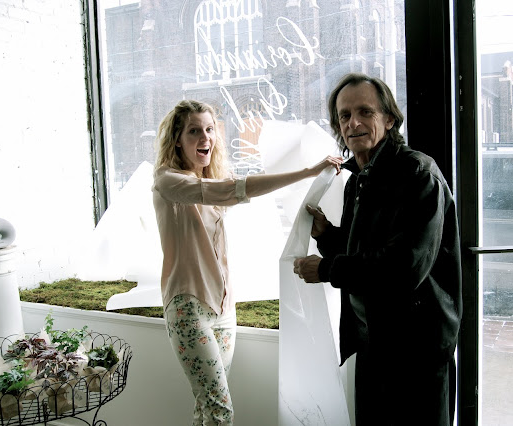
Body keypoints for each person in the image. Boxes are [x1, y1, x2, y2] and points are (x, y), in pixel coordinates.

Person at [152, 99, 342, 425]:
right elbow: (237, 189)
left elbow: (238, 186)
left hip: (224, 308)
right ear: (177, 140)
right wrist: (308, 171)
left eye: (209, 129)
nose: (205, 137)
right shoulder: (168, 181)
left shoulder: (212, 179)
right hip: (187, 307)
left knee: (207, 406)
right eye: (194, 131)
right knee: (220, 410)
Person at [292, 73, 462, 425]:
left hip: (417, 350)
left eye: (365, 112)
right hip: (375, 343)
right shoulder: (358, 179)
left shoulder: (418, 174)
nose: (353, 123)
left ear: (389, 119)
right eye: (344, 115)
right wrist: (327, 235)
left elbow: (404, 267)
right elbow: (365, 249)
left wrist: (325, 269)